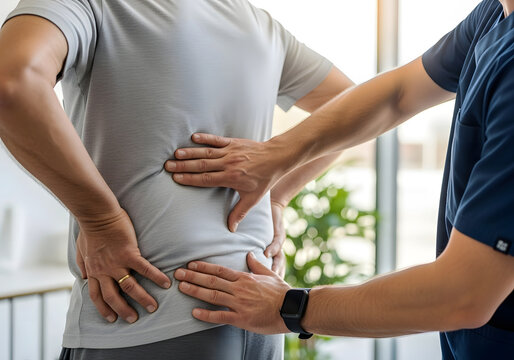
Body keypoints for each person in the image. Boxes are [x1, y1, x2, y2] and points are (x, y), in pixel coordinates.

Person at [0, 0, 354, 359]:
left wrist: (100, 219)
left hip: (148, 314)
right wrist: (277, 195)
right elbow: (353, 108)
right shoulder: (259, 24)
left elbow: (12, 83)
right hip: (259, 308)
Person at [167, 0, 514, 358]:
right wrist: (276, 157)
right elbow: (398, 94)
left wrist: (291, 307)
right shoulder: (495, 12)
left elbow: (463, 294)